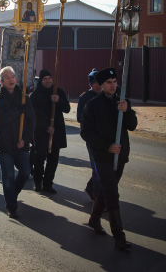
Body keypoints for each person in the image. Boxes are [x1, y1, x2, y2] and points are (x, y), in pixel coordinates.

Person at [81, 68, 137, 251]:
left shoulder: (122, 101)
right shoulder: (93, 105)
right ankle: (119, 238)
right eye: (109, 83)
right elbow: (86, 133)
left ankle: (94, 220)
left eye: (114, 81)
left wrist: (127, 110)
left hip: (120, 155)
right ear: (100, 85)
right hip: (103, 156)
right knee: (112, 194)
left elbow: (132, 125)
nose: (113, 85)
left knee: (107, 191)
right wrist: (107, 146)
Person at [0, 66, 35, 219]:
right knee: (8, 177)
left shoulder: (24, 98)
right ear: (2, 81)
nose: (11, 79)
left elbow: (31, 121)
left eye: (13, 76)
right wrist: (18, 110)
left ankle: (11, 194)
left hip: (21, 144)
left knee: (25, 171)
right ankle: (11, 206)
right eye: (7, 77)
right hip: (5, 145)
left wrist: (25, 140)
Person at [30, 69, 70, 194]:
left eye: (49, 78)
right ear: (41, 81)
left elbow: (67, 109)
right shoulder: (35, 95)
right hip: (41, 132)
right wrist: (46, 127)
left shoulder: (58, 92)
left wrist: (59, 101)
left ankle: (48, 184)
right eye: (44, 79)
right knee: (39, 157)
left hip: (56, 131)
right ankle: (37, 182)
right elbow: (34, 115)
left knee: (53, 159)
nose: (47, 81)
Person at [77, 68, 100, 201]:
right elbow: (80, 117)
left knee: (105, 168)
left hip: (106, 137)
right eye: (94, 82)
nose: (97, 85)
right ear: (90, 84)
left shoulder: (108, 95)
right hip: (91, 138)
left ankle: (91, 187)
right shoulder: (84, 97)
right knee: (97, 167)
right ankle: (98, 197)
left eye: (99, 82)